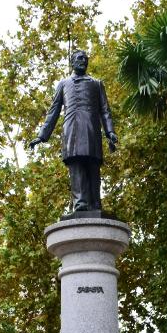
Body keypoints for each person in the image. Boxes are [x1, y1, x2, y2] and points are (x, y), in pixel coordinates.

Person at [29, 49, 117, 212]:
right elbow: (53, 111)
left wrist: (110, 132)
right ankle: (81, 204)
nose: (83, 60)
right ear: (72, 62)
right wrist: (42, 136)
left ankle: (95, 204)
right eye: (79, 58)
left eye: (85, 58)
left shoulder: (97, 83)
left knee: (93, 168)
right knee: (76, 167)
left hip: (92, 131)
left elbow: (105, 110)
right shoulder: (63, 84)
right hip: (72, 131)